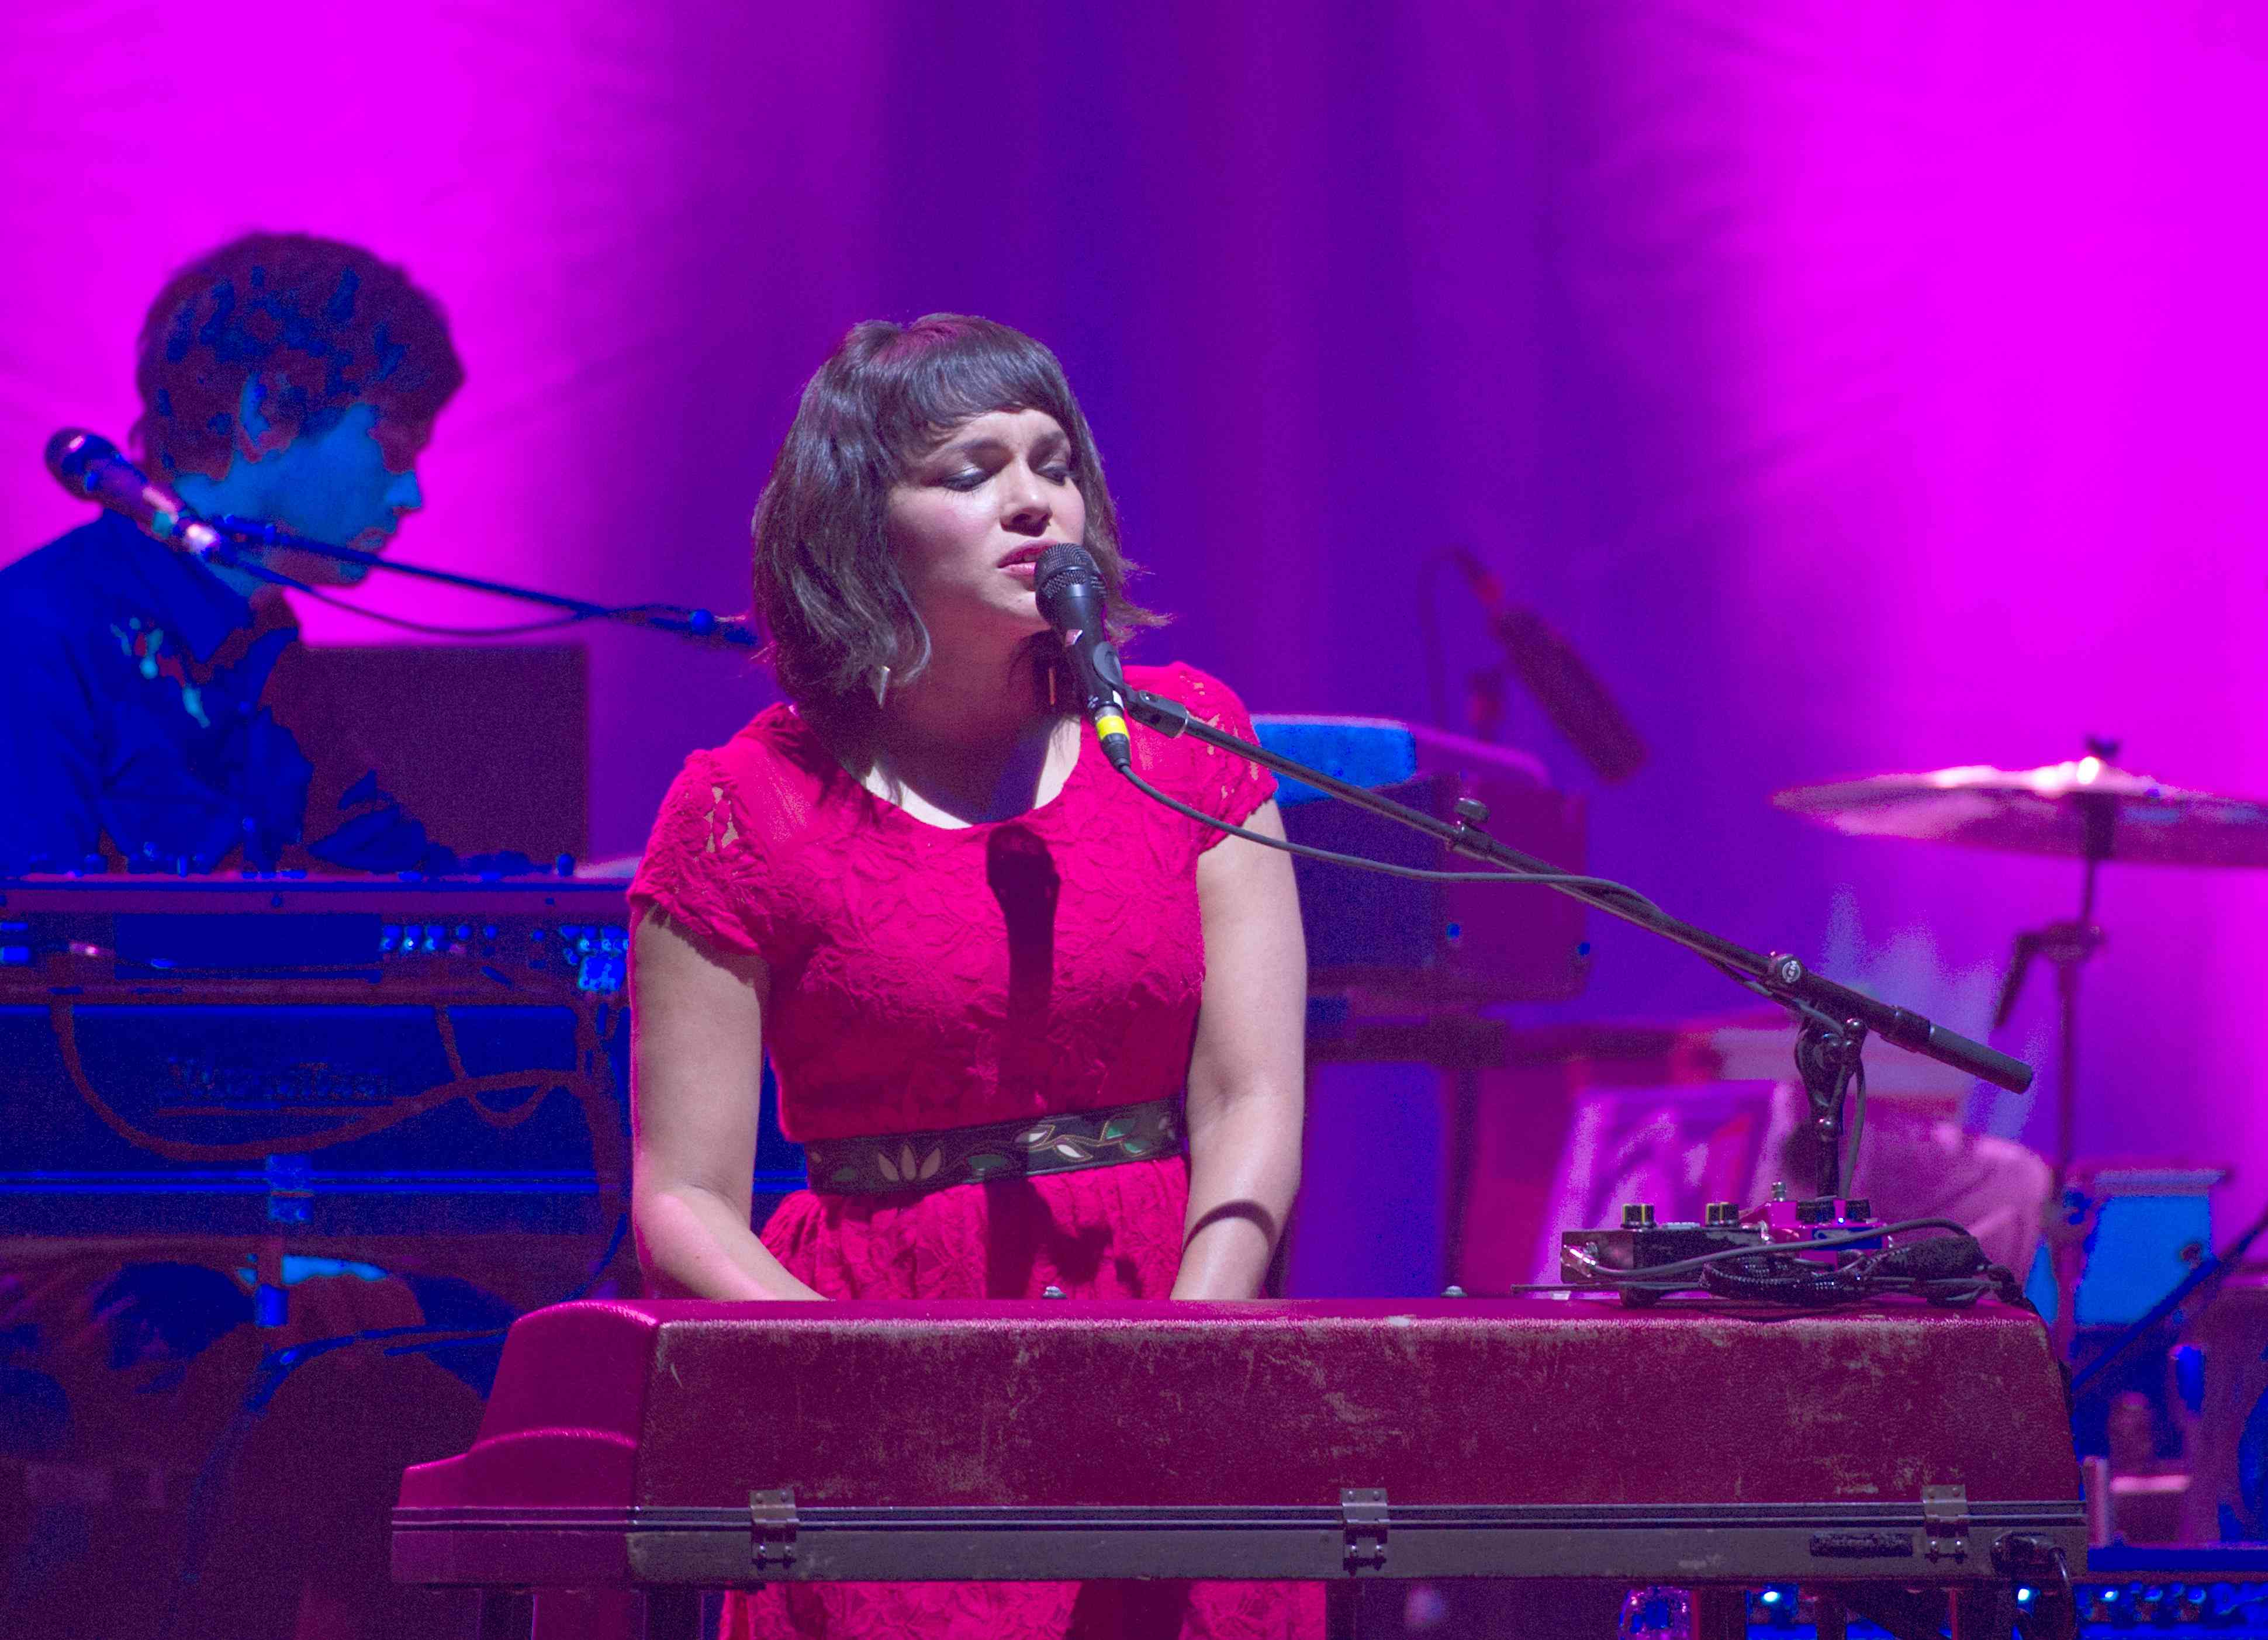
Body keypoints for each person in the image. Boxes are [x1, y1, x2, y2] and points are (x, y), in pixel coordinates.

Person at [628, 314, 1318, 1640]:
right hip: (878, 1388)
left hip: (1169, 1318)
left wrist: (1192, 1339)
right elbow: (683, 1196)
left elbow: (1251, 1094)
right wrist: (884, 1379)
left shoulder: (1184, 741)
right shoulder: (740, 805)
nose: (1032, 500)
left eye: (1053, 462)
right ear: (856, 525)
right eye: (969, 469)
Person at [0, 231, 463, 875]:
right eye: (394, 445)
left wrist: (596, 893)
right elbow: (28, 949)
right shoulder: (39, 634)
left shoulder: (265, 640)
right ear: (266, 412)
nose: (411, 493)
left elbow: (400, 879)